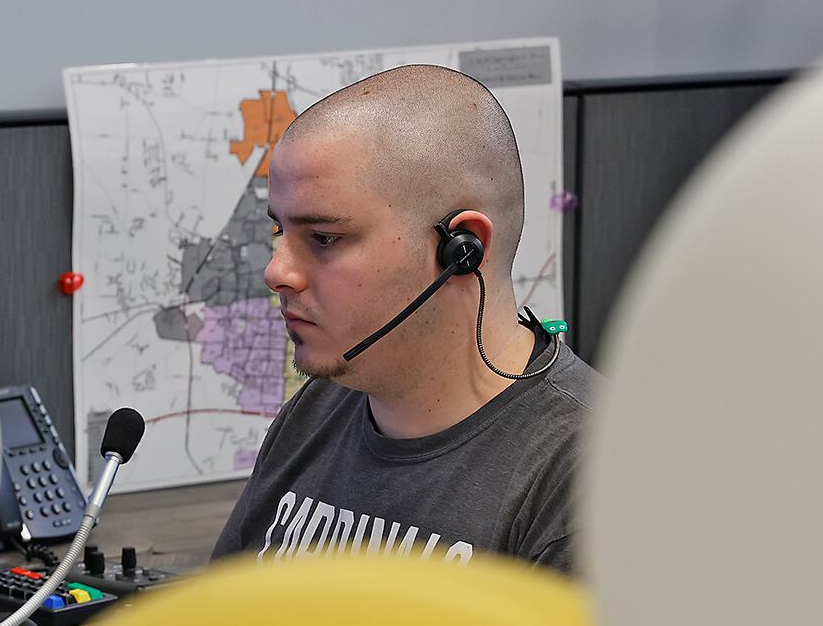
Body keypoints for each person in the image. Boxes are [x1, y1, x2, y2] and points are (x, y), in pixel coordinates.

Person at [211, 64, 597, 574]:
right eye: (280, 231)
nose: (276, 271)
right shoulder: (319, 410)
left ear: (464, 251)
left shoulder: (588, 475)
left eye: (324, 238)